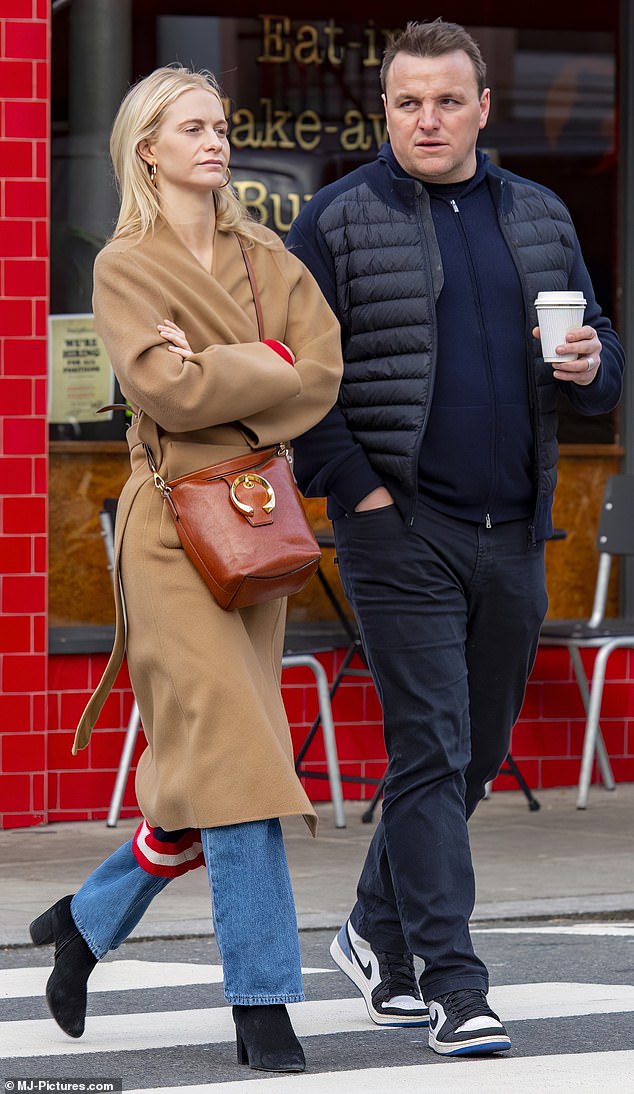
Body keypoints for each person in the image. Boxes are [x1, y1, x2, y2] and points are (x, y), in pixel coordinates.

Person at [286, 18, 625, 1058]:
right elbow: (302, 382)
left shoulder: (539, 215)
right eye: (405, 102)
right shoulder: (334, 221)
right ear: (383, 110)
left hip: (513, 525)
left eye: (444, 100)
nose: (424, 118)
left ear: (481, 108)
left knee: (470, 751)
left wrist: (589, 368)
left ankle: (374, 930)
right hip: (400, 528)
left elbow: (603, 352)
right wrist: (361, 494)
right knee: (428, 746)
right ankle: (453, 976)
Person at [29, 64, 343, 1073]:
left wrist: (224, 370)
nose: (215, 140)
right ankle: (263, 1005)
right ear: (147, 148)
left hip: (255, 526)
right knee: (247, 771)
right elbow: (162, 390)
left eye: (219, 123)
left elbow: (322, 371)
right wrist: (263, 362)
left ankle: (84, 921)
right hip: (170, 533)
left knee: (214, 767)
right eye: (190, 126)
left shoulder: (267, 251)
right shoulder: (124, 265)